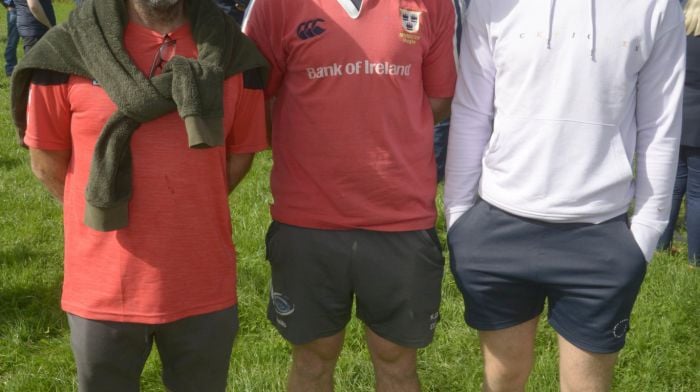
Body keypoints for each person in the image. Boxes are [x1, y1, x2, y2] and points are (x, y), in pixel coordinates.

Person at [10, 0, 269, 390]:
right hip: (101, 289)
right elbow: (47, 161)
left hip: (202, 284)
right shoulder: (67, 51)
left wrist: (185, 203)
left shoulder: (234, 54)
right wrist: (102, 202)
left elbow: (238, 157)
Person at [445, 0, 685, 391]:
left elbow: (660, 127)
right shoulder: (494, 4)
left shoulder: (657, 6)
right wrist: (458, 216)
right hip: (498, 226)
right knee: (503, 379)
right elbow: (472, 110)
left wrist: (646, 231)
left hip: (599, 235)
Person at [243, 0, 456, 390]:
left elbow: (439, 97)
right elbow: (256, 99)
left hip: (401, 217)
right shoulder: (276, 6)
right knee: (312, 357)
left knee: (397, 360)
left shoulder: (433, 4)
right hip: (308, 219)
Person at [658, 0, 700, 267]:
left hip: (676, 112)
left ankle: (660, 246)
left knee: (674, 185)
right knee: (697, 193)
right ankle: (695, 258)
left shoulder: (677, 30)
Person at [2, 0, 18, 76]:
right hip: (14, 9)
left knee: (29, 39)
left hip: (23, 10)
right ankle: (10, 69)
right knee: (12, 41)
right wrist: (8, 6)